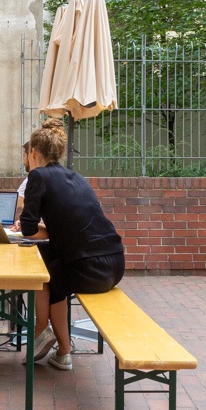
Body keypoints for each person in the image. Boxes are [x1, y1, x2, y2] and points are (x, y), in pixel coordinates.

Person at [19, 118, 125, 370]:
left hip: (89, 269)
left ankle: (48, 337)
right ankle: (52, 342)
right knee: (45, 259)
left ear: (33, 152)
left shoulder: (38, 176)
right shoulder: (77, 177)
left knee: (44, 275)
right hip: (115, 264)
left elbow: (28, 229)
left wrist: (41, 230)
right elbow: (71, 226)